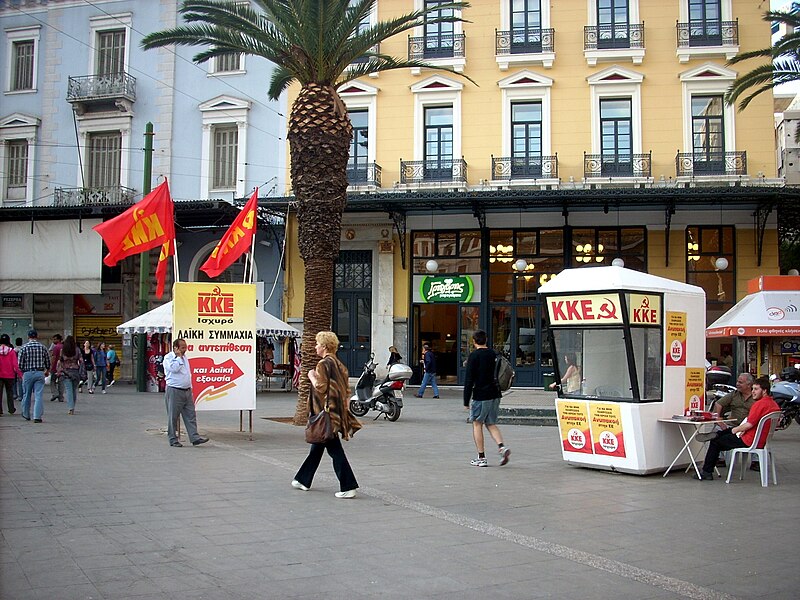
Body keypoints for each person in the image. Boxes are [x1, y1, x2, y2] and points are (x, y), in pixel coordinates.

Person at [292, 331, 361, 498]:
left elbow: (321, 387)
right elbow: (346, 391)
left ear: (323, 346)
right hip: (335, 413)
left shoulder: (323, 364)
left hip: (326, 413)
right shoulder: (340, 365)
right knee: (318, 446)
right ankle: (303, 479)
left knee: (334, 450)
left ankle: (348, 486)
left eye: (317, 344)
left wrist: (311, 375)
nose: (315, 347)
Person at [697, 376, 780, 481]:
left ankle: (706, 472)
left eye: (756, 389)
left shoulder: (759, 404)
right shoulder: (773, 404)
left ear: (764, 391)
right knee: (723, 433)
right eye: (753, 389)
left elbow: (749, 424)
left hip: (749, 439)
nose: (753, 392)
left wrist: (735, 430)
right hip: (761, 440)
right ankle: (718, 435)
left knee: (715, 442)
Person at [463, 329, 510, 467]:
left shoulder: (474, 356)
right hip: (495, 393)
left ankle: (481, 457)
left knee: (477, 423)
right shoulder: (494, 354)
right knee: (491, 423)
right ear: (486, 340)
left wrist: (466, 400)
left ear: (474, 341)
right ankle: (502, 447)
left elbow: (469, 380)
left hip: (481, 394)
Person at [163, 338, 208, 448]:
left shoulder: (185, 358)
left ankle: (194, 437)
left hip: (186, 390)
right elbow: (173, 369)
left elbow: (187, 373)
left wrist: (190, 387)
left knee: (190, 415)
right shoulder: (169, 358)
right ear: (176, 348)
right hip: (174, 390)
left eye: (185, 347)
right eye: (182, 347)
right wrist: (178, 358)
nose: (185, 349)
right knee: (173, 416)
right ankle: (173, 439)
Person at [709, 372, 755, 469]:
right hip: (733, 424)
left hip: (749, 426)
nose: (737, 384)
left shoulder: (756, 396)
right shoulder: (734, 394)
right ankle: (719, 458)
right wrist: (719, 419)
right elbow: (719, 403)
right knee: (717, 430)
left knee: (758, 432)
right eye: (737, 382)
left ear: (749, 385)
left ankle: (756, 461)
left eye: (740, 382)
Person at [17, 329, 51, 423]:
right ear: (37, 336)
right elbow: (48, 362)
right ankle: (37, 416)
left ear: (28, 337)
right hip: (40, 373)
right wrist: (47, 370)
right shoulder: (42, 347)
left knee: (26, 394)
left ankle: (26, 414)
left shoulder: (24, 348)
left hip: (27, 373)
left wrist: (23, 371)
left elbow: (19, 364)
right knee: (38, 395)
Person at [56, 336, 84, 416]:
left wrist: (60, 370)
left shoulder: (63, 350)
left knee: (68, 390)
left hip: (66, 372)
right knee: (74, 390)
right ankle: (72, 406)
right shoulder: (77, 350)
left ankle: (70, 407)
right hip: (75, 372)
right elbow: (81, 361)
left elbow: (60, 361)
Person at [0, 333, 22, 415]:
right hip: (10, 375)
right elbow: (15, 365)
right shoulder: (11, 352)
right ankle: (11, 408)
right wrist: (20, 375)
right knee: (10, 392)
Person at [49, 334, 64, 403]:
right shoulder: (64, 347)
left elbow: (53, 357)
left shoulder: (56, 347)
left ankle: (55, 393)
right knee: (61, 382)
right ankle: (61, 397)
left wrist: (51, 366)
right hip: (63, 368)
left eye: (55, 339)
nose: (53, 340)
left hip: (55, 367)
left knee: (52, 381)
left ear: (58, 339)